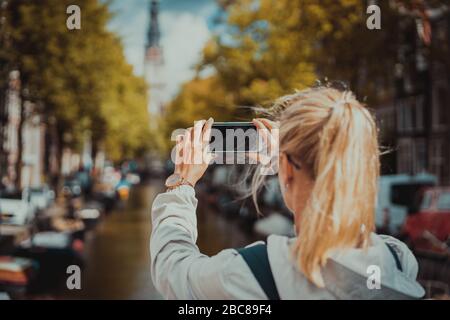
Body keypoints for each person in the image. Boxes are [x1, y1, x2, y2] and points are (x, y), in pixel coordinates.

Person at [150, 86, 425, 300]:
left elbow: (173, 272)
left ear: (289, 172)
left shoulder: (256, 274)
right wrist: (287, 166)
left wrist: (181, 184)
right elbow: (346, 232)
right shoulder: (398, 260)